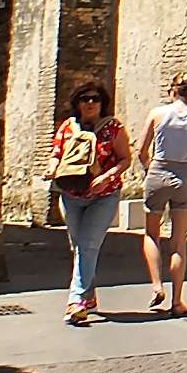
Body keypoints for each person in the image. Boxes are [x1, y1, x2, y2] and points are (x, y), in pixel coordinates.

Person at [46, 80, 133, 325]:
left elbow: (125, 159)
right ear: (77, 103)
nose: (91, 103)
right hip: (71, 196)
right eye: (85, 99)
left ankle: (76, 301)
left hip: (104, 196)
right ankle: (89, 294)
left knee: (88, 245)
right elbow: (56, 154)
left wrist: (106, 177)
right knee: (79, 246)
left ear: (102, 102)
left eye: (95, 98)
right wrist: (52, 168)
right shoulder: (67, 127)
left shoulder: (113, 128)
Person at [138, 71, 187, 314]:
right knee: (179, 242)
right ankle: (177, 301)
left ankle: (156, 285)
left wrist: (151, 169)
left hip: (159, 170)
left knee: (151, 234)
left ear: (172, 90)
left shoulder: (157, 114)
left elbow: (141, 150)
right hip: (184, 176)